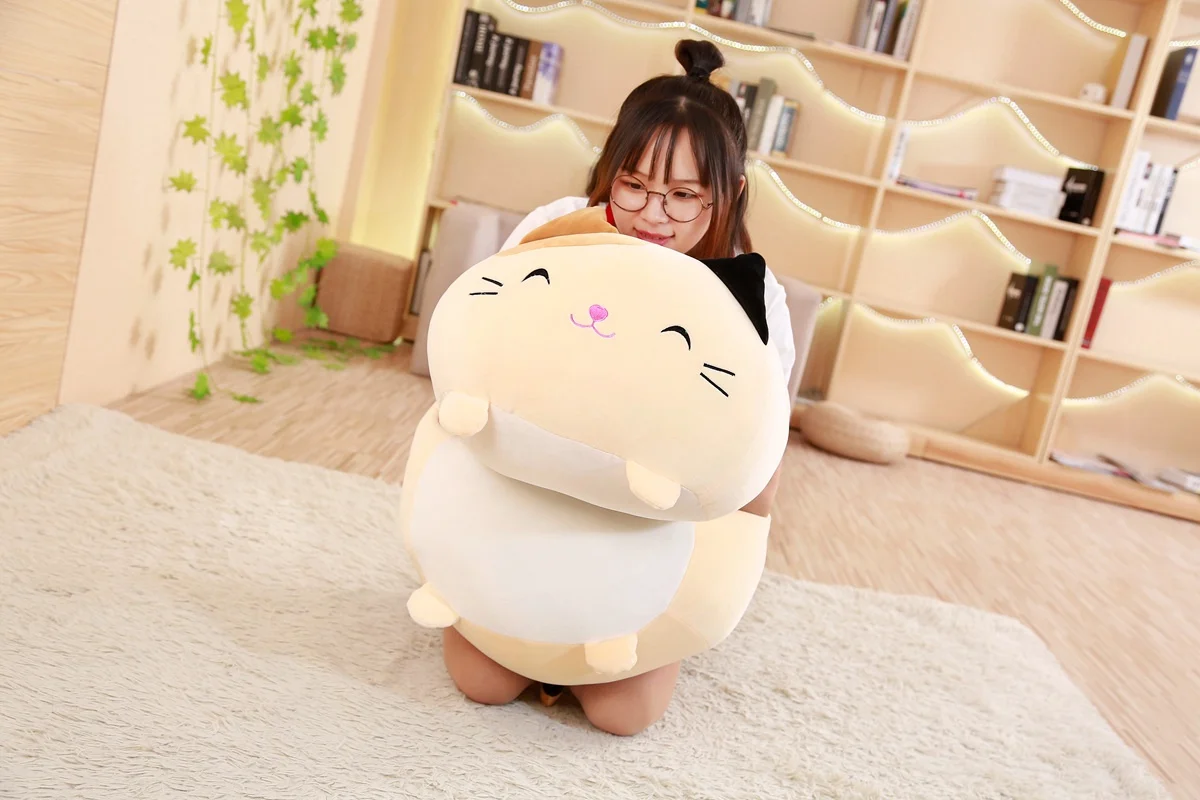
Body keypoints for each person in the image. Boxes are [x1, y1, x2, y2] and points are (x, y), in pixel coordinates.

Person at [442, 37, 794, 736]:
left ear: (730, 194)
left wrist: (723, 558)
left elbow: (759, 451)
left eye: (684, 196)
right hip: (531, 489)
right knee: (483, 682)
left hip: (646, 519)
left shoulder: (753, 294)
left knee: (621, 713)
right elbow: (483, 342)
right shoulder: (559, 228)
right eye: (633, 185)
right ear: (609, 170)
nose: (653, 215)